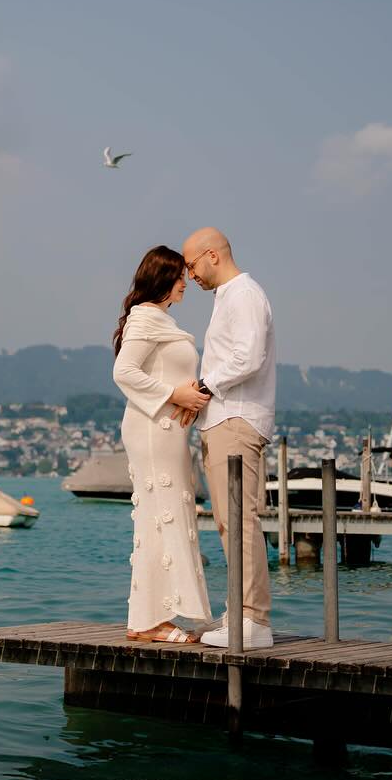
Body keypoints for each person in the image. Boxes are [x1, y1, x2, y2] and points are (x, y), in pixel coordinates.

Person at [180, 227, 277, 649]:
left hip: (235, 418)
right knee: (227, 521)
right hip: (222, 419)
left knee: (239, 520)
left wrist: (203, 386)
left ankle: (253, 621)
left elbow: (249, 357)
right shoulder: (230, 297)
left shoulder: (244, 294)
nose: (189, 274)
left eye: (191, 264)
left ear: (212, 256)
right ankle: (239, 613)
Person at [111, 245, 213, 643]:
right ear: (162, 279)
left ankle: (150, 617)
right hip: (153, 429)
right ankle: (150, 620)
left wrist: (190, 395)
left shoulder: (159, 319)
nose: (185, 282)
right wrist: (174, 395)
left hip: (166, 430)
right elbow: (124, 371)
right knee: (161, 515)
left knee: (165, 516)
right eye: (178, 276)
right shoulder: (146, 319)